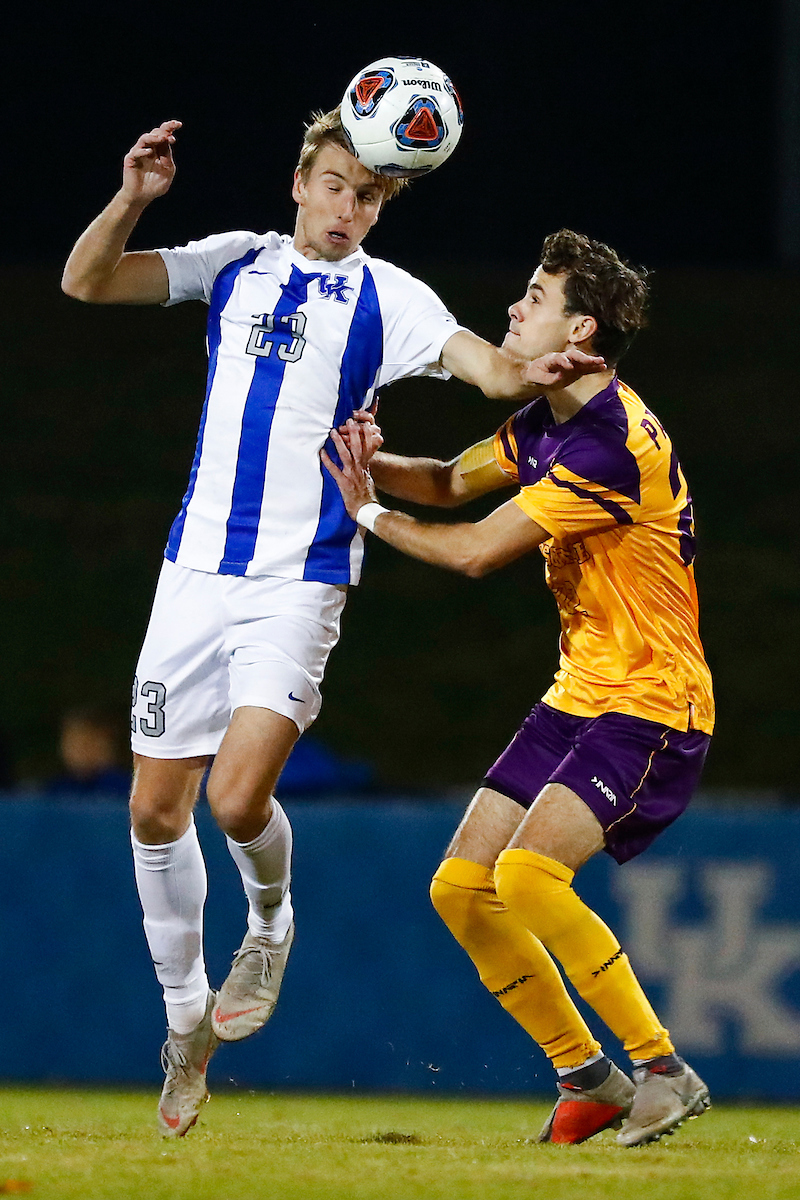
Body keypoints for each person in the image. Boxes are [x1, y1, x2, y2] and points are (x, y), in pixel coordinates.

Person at [61, 110, 605, 1138]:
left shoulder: (387, 296)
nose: (349, 207)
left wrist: (522, 374)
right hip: (194, 572)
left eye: (368, 194)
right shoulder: (232, 265)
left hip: (301, 576)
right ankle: (185, 1027)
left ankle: (269, 925)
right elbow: (85, 282)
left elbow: (478, 363)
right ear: (300, 185)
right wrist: (133, 198)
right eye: (334, 185)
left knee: (232, 801)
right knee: (150, 814)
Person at [322, 228, 714, 1148]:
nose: (512, 308)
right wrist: (362, 455)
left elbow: (469, 553)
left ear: (579, 328)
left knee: (531, 878)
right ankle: (589, 1076)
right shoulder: (548, 416)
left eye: (534, 297)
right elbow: (455, 484)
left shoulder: (610, 445)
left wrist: (365, 512)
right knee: (462, 886)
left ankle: (663, 1070)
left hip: (653, 702)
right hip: (583, 692)